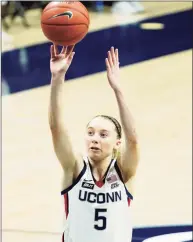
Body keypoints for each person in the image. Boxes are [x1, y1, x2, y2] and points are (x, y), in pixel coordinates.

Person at [49, 44, 139, 242]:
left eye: (103, 134)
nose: (95, 139)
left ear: (117, 143)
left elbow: (133, 140)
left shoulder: (123, 173)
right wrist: (57, 78)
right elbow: (56, 129)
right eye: (90, 133)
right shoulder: (75, 167)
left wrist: (118, 90)